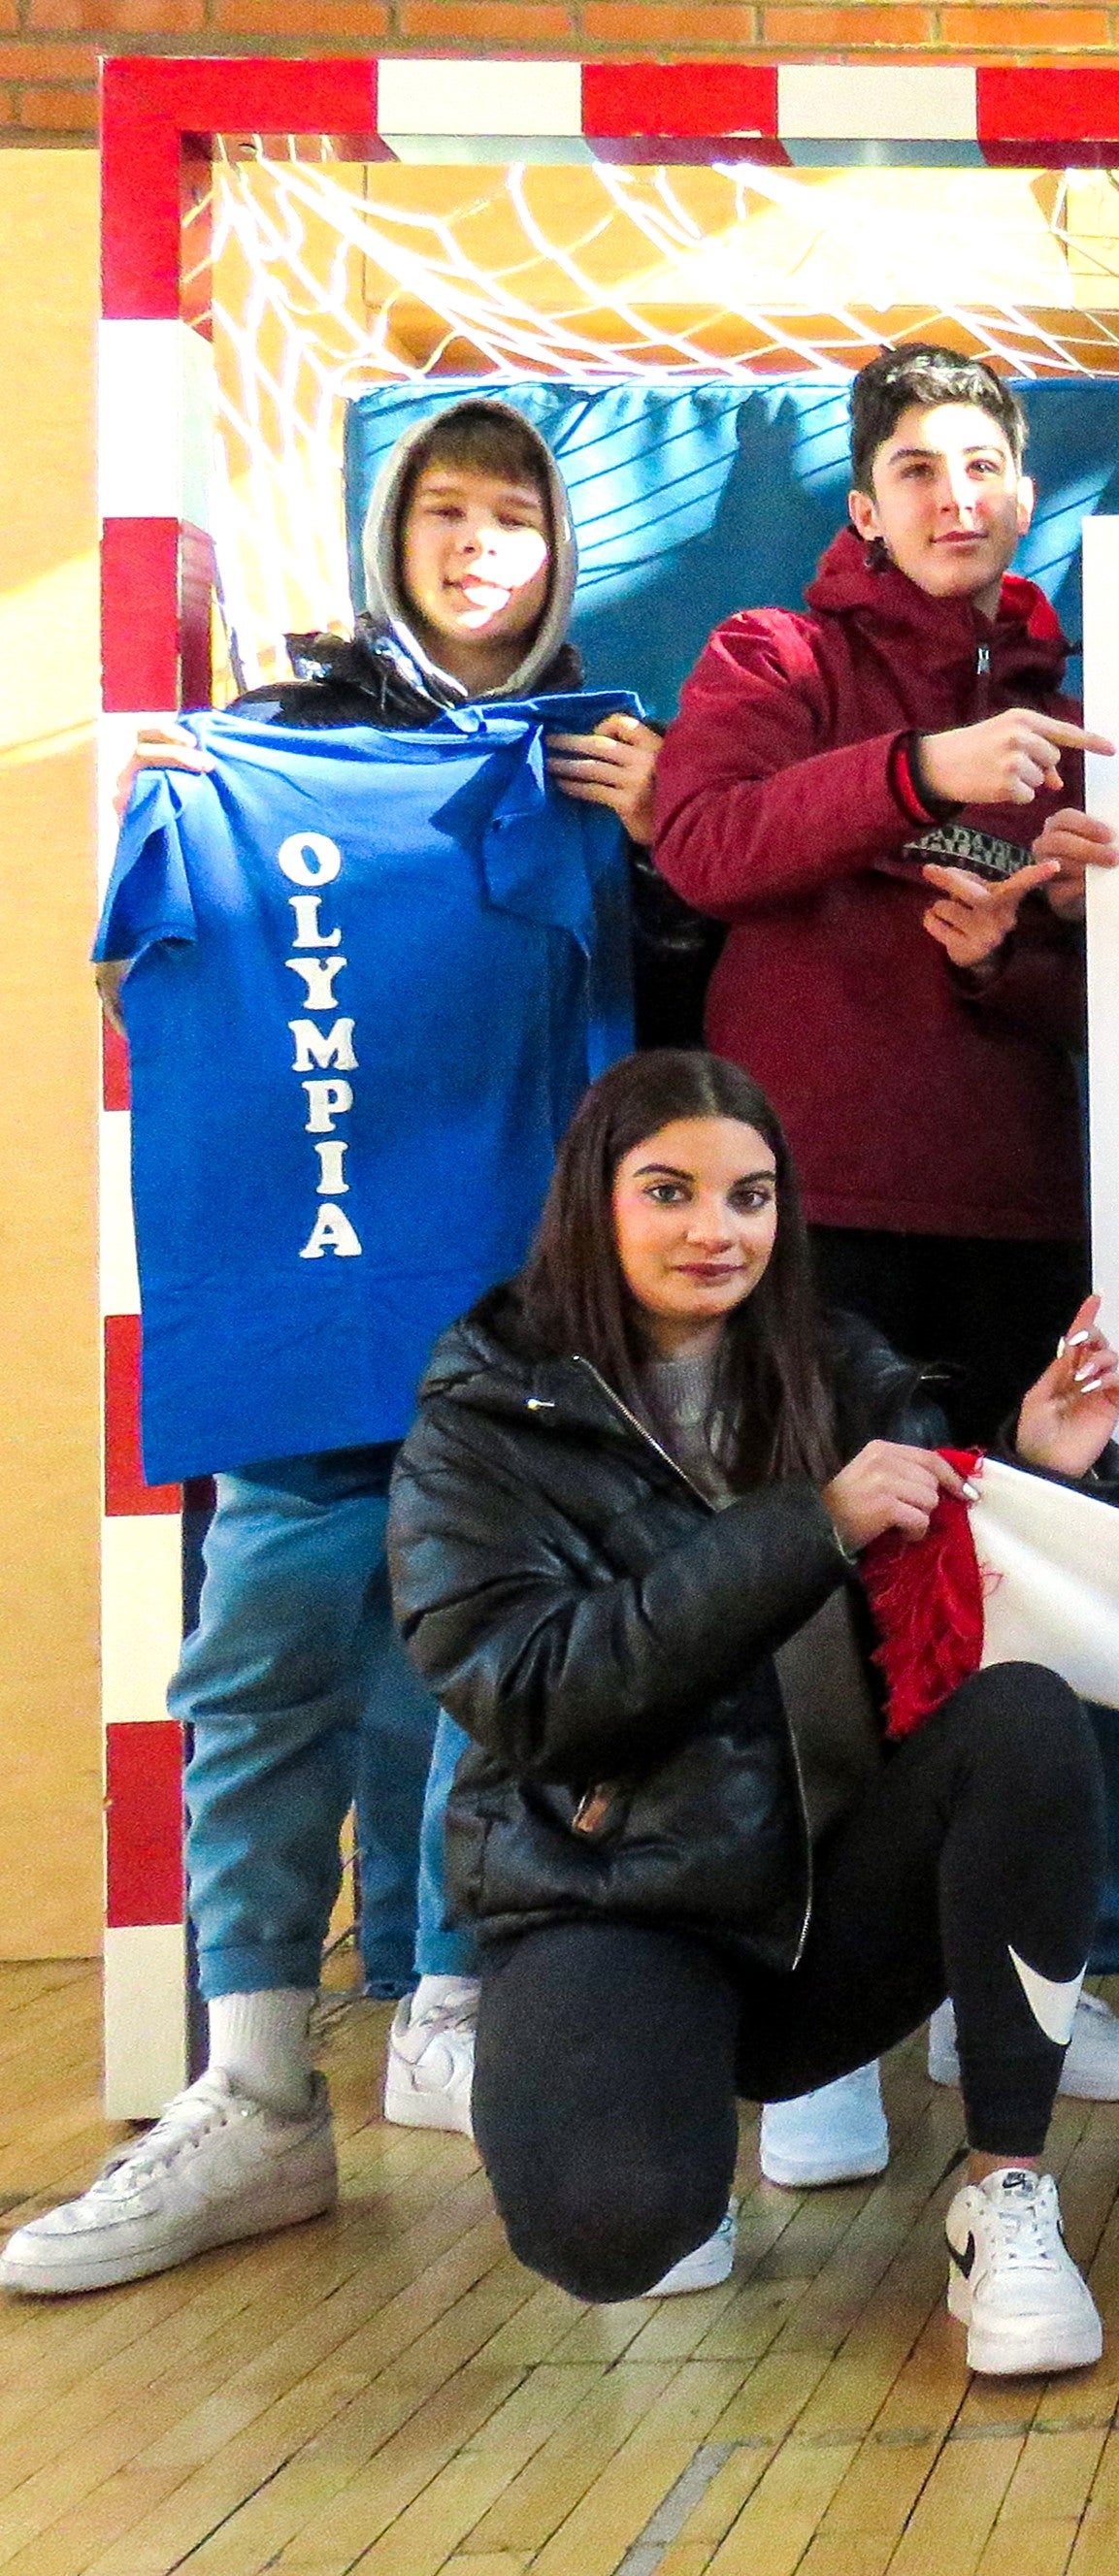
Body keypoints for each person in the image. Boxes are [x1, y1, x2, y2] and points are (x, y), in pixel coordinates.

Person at [5, 400, 664, 2301]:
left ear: (556, 548)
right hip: (306, 1311)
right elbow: (129, 966)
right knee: (268, 1665)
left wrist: (659, 825)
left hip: (525, 1326)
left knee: (506, 1670)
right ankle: (255, 2088)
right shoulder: (262, 754)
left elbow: (688, 995)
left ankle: (457, 1998)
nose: (477, 547)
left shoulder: (589, 760)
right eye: (444, 514)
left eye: (512, 517)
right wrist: (154, 794)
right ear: (393, 541)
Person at [376, 1051, 1119, 2364]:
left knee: (1024, 1721)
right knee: (613, 2230)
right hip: (623, 1899)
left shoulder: (840, 1368)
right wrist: (809, 1524)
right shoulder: (486, 1413)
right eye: (669, 1190)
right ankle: (655, 2111)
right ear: (590, 1202)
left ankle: (1004, 2189)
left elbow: (947, 1601)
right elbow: (534, 1694)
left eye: (751, 1195)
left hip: (831, 1907)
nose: (714, 1230)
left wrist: (1043, 1472)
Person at [655, 346, 1119, 2169]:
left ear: (1026, 495)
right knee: (815, 1626)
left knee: (1015, 1615)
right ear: (864, 506)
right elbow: (700, 842)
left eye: (986, 464)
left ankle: (1001, 1992)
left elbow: (1083, 1006)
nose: (958, 494)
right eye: (918, 467)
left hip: (1022, 1218)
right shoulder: (772, 661)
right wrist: (914, 769)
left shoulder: (1083, 708)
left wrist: (1008, 952)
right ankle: (821, 2040)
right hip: (822, 1226)